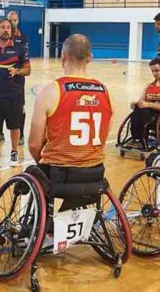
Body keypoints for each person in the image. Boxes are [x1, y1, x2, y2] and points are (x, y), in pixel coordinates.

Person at [28, 34, 112, 211]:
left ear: (63, 56)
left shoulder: (51, 91)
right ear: (90, 58)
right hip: (95, 172)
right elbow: (103, 135)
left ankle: (39, 225)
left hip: (60, 174)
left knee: (34, 172)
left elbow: (34, 145)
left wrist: (41, 164)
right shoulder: (104, 91)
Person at [0, 18, 31, 171]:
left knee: (14, 126)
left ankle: (14, 152)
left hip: (14, 94)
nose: (6, 30)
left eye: (8, 27)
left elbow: (27, 70)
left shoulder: (20, 49)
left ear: (12, 31)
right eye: (2, 27)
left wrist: (17, 71)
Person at [126, 57, 160, 150]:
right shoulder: (149, 86)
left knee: (143, 112)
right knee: (137, 110)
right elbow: (141, 101)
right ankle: (136, 139)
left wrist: (149, 105)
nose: (154, 73)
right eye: (152, 71)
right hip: (146, 114)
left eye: (157, 70)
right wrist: (135, 104)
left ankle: (139, 140)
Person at [6, 10, 29, 147]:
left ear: (18, 21)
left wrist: (18, 70)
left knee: (20, 107)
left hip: (18, 76)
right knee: (1, 104)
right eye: (11, 20)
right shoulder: (1, 35)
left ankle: (20, 133)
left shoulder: (23, 37)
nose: (13, 23)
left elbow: (24, 57)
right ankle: (1, 133)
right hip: (3, 76)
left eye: (15, 20)